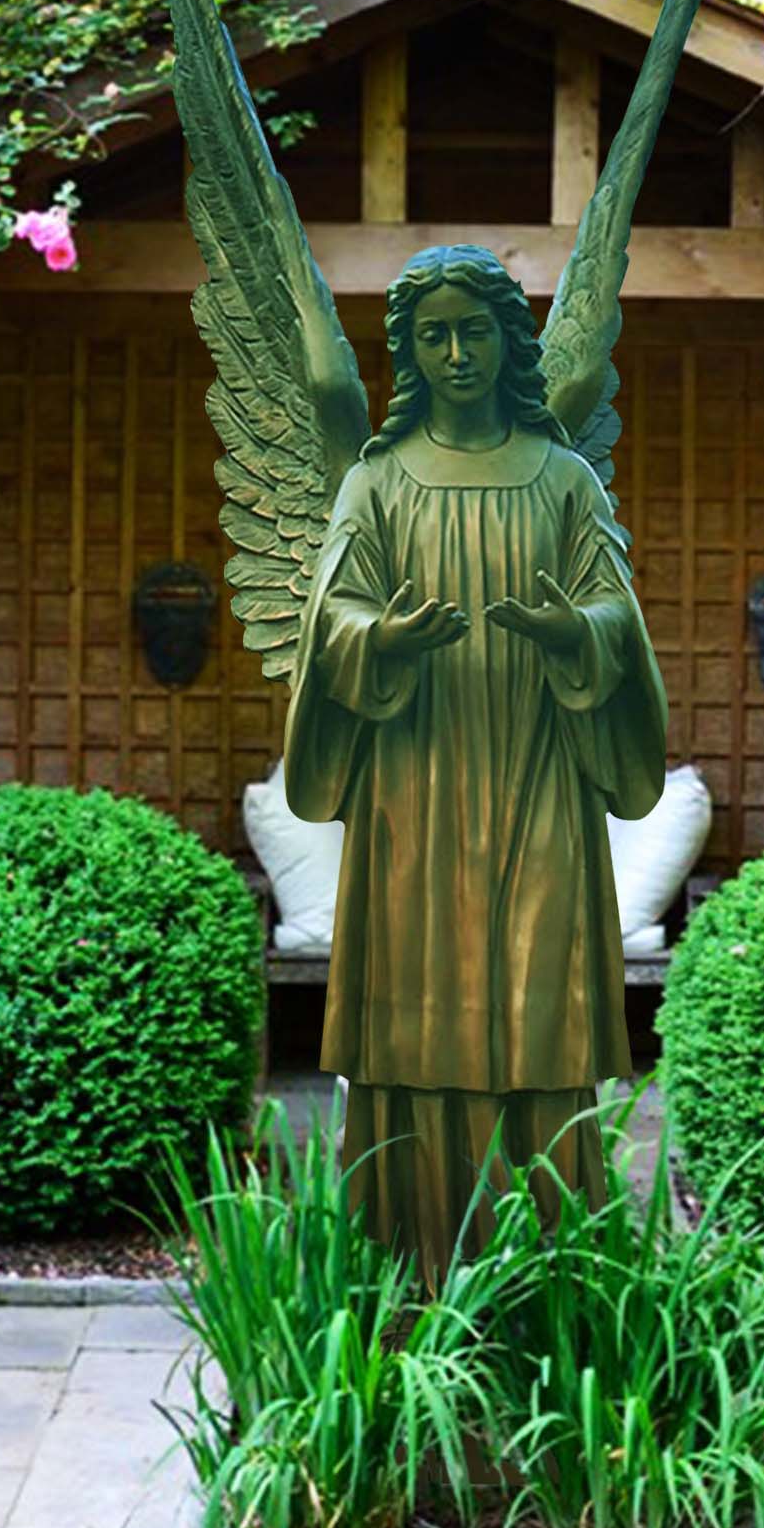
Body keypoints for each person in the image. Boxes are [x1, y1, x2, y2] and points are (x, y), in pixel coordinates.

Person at [283, 242, 667, 1280]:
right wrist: (382, 640)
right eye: (432, 333)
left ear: (511, 341)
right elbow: (334, 615)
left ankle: (551, 1265)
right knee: (411, 1013)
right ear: (408, 350)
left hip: (539, 774)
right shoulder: (375, 480)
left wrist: (569, 631)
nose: (456, 350)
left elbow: (613, 611)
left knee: (538, 1004)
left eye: (475, 329)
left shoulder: (562, 478)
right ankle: (404, 1259)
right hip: (411, 781)